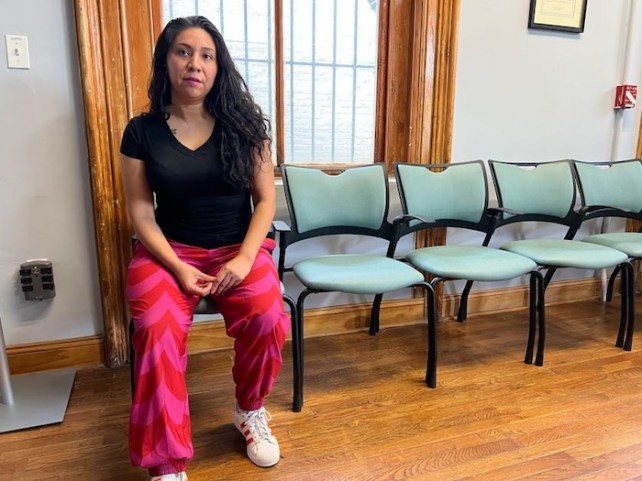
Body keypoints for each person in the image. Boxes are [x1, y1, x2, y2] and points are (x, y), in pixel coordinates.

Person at [120, 15, 290, 481]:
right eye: (183, 51)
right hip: (168, 250)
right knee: (154, 326)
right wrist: (176, 266)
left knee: (267, 314)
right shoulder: (141, 131)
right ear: (166, 61)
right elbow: (140, 212)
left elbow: (266, 201)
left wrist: (242, 258)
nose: (194, 63)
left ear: (218, 67)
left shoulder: (245, 127)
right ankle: (166, 462)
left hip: (239, 247)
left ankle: (249, 410)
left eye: (206, 55)